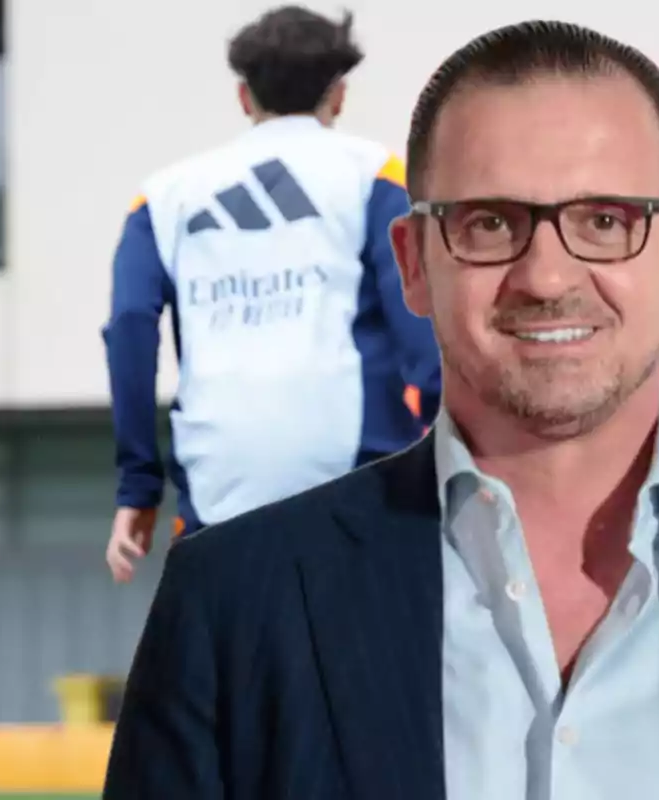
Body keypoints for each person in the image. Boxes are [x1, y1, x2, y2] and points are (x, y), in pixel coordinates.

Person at [104, 21, 659, 800]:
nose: (547, 276)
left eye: (607, 220)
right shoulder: (228, 607)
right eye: (490, 223)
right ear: (413, 261)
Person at [100, 6, 441, 582]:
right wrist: (449, 435)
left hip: (217, 491)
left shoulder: (161, 198)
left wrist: (137, 488)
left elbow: (130, 329)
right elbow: (420, 316)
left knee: (240, 667)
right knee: (362, 667)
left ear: (243, 97)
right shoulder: (378, 175)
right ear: (338, 94)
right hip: (362, 478)